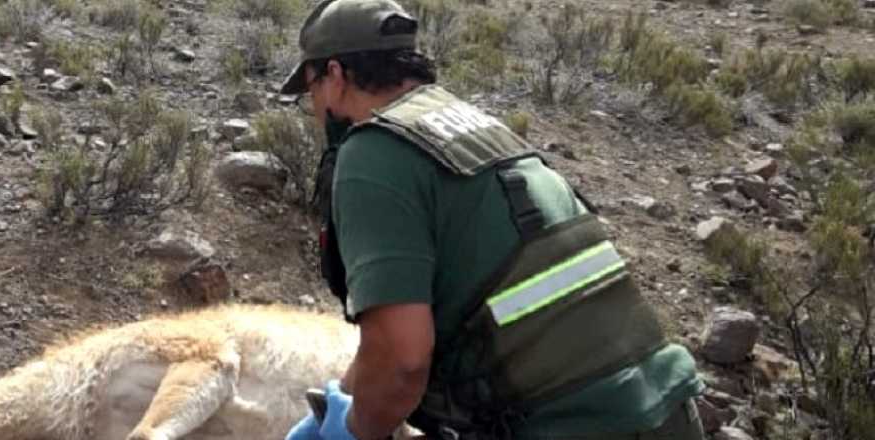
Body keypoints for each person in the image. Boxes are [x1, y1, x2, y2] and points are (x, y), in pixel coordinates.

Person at [279, 1, 707, 439]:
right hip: (668, 410)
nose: (314, 108)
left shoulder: (371, 153)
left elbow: (402, 362)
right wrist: (342, 398)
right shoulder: (483, 131)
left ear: (335, 75)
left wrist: (349, 431)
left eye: (311, 89)